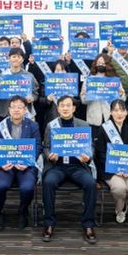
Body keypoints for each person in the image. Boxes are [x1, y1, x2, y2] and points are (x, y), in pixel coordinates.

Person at [42, 95, 97, 244]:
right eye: (62, 106)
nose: (65, 108)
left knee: (91, 184)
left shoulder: (83, 125)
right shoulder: (51, 125)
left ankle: (88, 224)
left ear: (74, 108)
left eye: (68, 105)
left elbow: (91, 146)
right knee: (48, 183)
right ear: (58, 108)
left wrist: (88, 156)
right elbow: (46, 147)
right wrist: (50, 156)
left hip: (77, 166)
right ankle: (49, 223)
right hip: (57, 166)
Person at [0, 96, 42, 231]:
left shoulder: (33, 125)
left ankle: (23, 211)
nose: (16, 110)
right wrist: (1, 164)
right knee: (0, 186)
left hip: (25, 166)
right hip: (6, 166)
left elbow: (38, 146)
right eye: (13, 107)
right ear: (9, 109)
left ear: (25, 110)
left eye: (20, 107)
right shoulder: (1, 126)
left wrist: (28, 162)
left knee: (27, 188)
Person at [94, 99, 128, 223]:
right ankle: (121, 209)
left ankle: (124, 204)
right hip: (110, 169)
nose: (119, 113)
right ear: (111, 112)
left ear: (126, 112)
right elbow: (101, 154)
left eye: (122, 110)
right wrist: (116, 169)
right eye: (116, 110)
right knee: (119, 189)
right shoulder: (104, 129)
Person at [0, 47, 39, 126]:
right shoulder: (1, 77)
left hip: (24, 114)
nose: (16, 59)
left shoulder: (29, 76)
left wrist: (32, 98)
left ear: (22, 60)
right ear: (9, 58)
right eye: (14, 56)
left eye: (19, 57)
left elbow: (35, 94)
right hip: (4, 113)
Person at [80, 53, 126, 133]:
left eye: (103, 63)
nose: (100, 65)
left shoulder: (114, 80)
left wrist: (121, 94)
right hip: (94, 118)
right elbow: (83, 101)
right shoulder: (89, 80)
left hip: (111, 117)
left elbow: (123, 99)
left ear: (108, 64)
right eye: (98, 63)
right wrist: (87, 95)